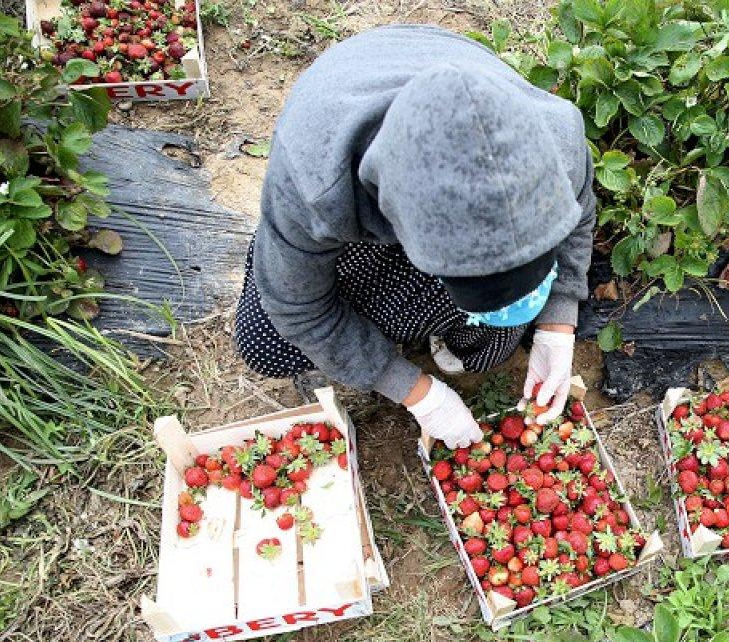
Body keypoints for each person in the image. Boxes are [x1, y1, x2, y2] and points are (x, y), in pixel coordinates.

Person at [234, 24, 594, 448]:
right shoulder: (314, 183)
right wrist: (414, 391)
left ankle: (461, 317)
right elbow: (300, 308)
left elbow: (580, 209)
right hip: (350, 172)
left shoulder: (556, 137)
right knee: (266, 343)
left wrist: (558, 318)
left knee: (489, 348)